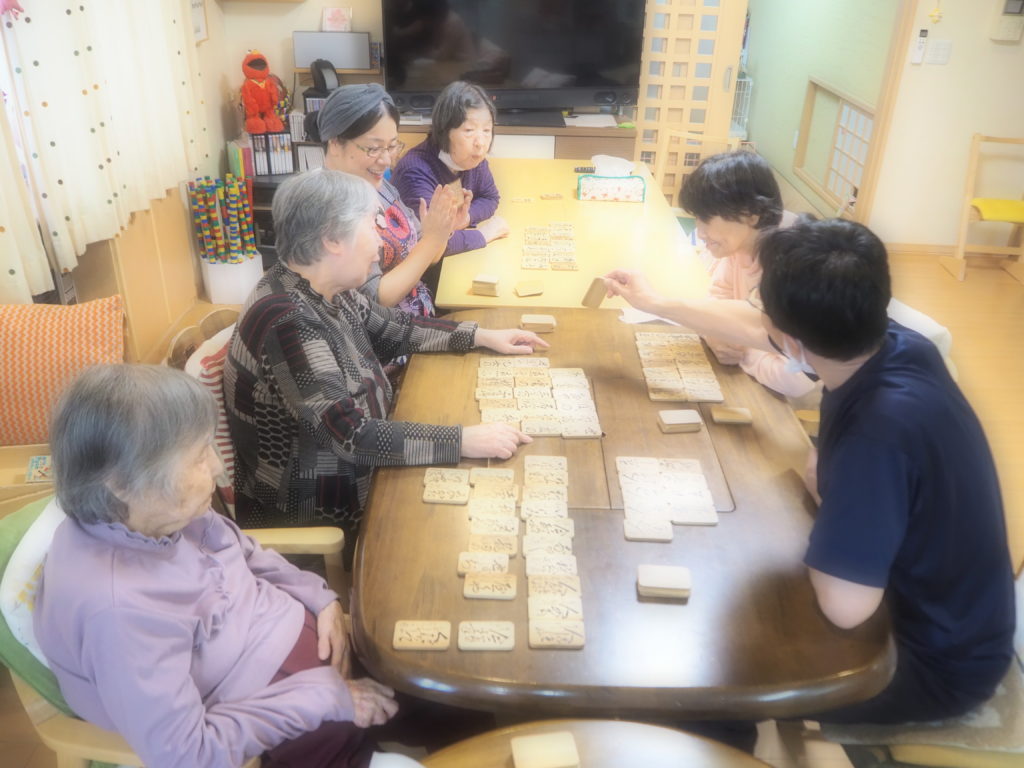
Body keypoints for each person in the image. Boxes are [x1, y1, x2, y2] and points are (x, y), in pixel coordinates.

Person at [605, 217, 1016, 727]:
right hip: (953, 612)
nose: (760, 319)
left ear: (792, 339)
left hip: (922, 661)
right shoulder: (891, 340)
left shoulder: (878, 434)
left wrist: (831, 493)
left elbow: (845, 606)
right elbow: (754, 327)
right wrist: (655, 302)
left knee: (697, 669)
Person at [34, 364, 407, 768]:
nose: (217, 467)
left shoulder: (157, 513)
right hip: (285, 725)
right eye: (198, 457)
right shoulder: (118, 613)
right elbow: (188, 754)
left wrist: (321, 600)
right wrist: (325, 697)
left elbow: (245, 553)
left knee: (434, 683)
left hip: (322, 661)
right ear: (121, 483)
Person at [224, 169, 543, 544]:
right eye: (370, 226)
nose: (379, 241)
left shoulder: (322, 285)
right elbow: (351, 436)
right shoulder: (288, 322)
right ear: (332, 240)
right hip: (325, 504)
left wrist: (483, 335)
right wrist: (462, 441)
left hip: (364, 464)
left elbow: (395, 328)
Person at [307, 83, 463, 318]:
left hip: (418, 321)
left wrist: (443, 228)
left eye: (391, 146)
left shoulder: (377, 185)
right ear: (335, 143)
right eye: (373, 148)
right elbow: (375, 300)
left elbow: (426, 255)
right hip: (386, 336)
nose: (387, 160)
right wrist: (432, 240)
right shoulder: (328, 208)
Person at [679, 151, 815, 400]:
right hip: (762, 379)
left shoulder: (797, 269)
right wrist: (714, 335)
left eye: (706, 218)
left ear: (751, 215)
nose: (700, 232)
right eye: (697, 217)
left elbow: (797, 380)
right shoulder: (741, 242)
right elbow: (718, 297)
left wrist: (743, 351)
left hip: (807, 403)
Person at [392, 80, 509, 269]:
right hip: (422, 273)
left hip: (454, 262)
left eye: (487, 130)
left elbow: (490, 197)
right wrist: (485, 234)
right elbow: (430, 244)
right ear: (444, 131)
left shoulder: (471, 159)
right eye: (469, 130)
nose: (480, 143)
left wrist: (465, 218)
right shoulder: (415, 172)